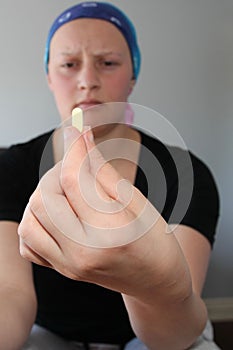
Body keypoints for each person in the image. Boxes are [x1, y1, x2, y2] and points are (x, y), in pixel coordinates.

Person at [0, 2, 220, 350]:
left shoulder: (184, 174)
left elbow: (175, 334)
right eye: (69, 65)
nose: (87, 81)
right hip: (48, 334)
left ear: (133, 75)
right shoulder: (10, 167)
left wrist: (157, 284)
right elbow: (9, 296)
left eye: (108, 63)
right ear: (49, 75)